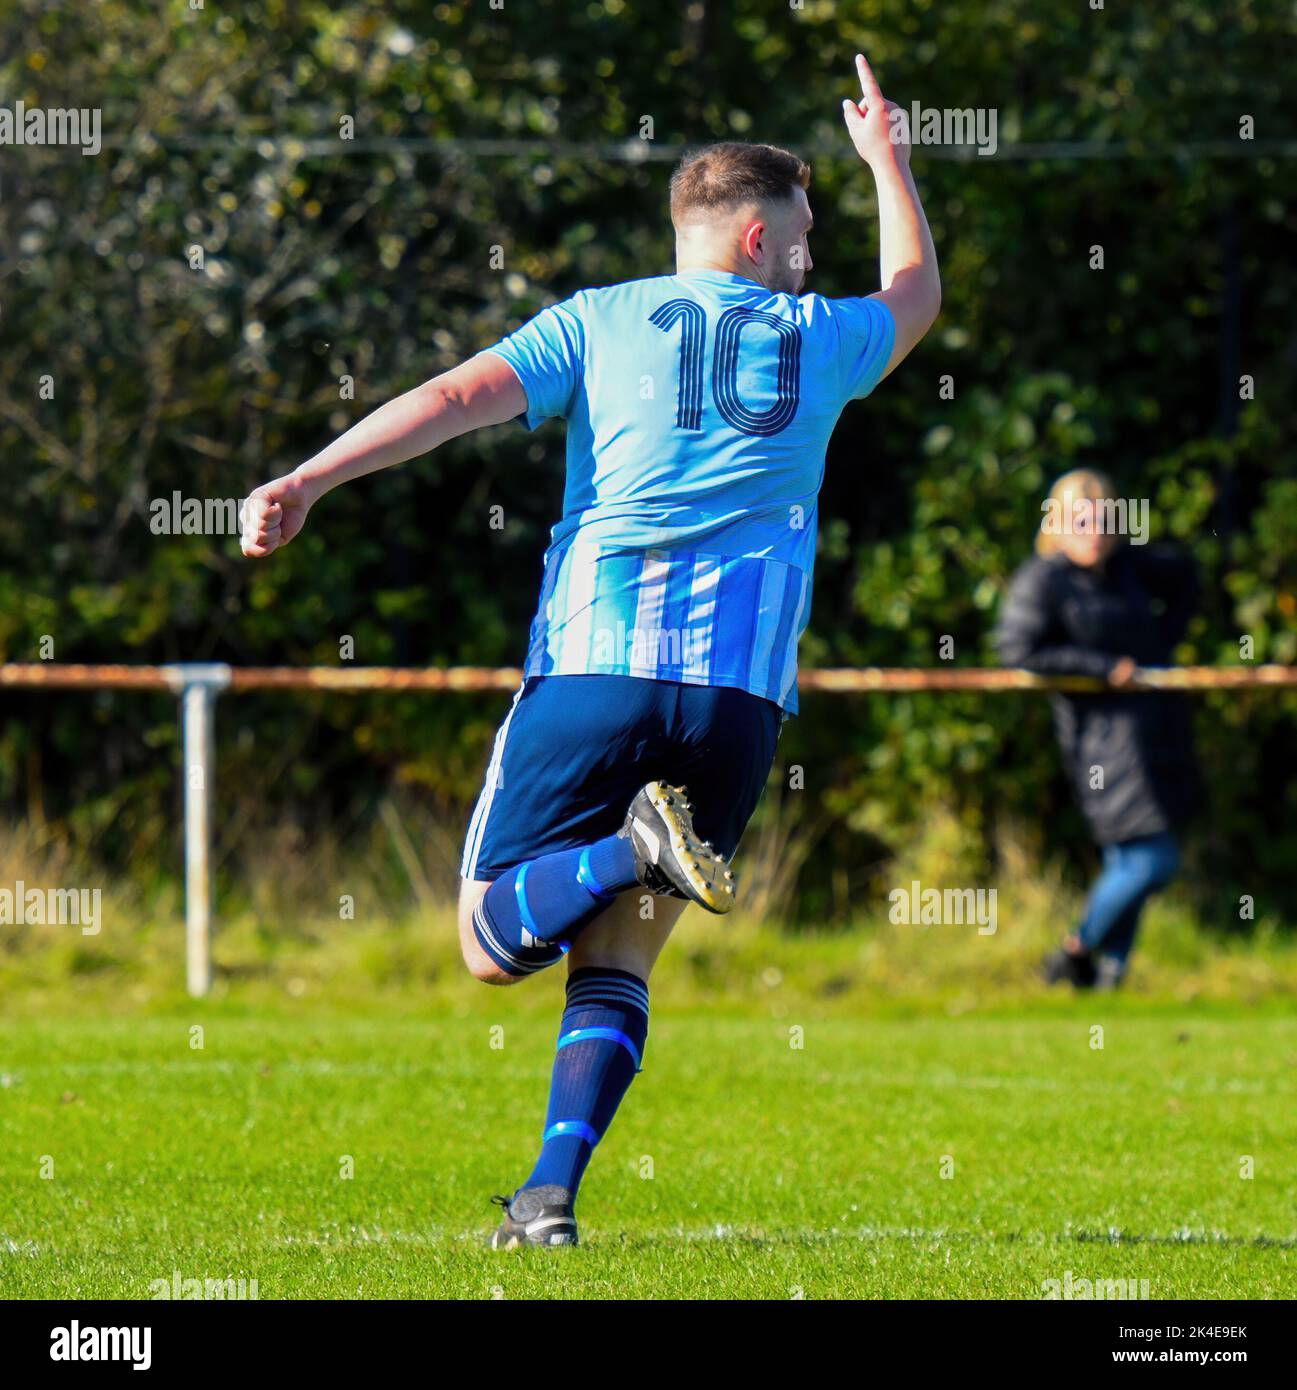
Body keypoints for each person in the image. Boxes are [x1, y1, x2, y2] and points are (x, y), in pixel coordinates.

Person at [241, 55, 940, 1246]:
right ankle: (548, 1197)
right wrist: (889, 160)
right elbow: (915, 295)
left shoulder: (598, 318)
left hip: (597, 666)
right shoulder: (818, 338)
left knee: (481, 944)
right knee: (620, 954)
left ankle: (620, 855)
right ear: (759, 238)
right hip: (735, 701)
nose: (813, 254)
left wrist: (312, 475)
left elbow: (458, 395)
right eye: (805, 233)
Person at [995, 469, 1201, 990]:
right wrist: (1103, 668)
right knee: (1153, 860)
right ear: (1058, 525)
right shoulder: (1044, 580)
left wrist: (1161, 645)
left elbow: (1188, 575)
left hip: (1153, 732)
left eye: (1105, 521)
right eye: (1081, 521)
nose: (1095, 531)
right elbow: (1019, 651)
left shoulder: (1128, 568)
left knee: (1128, 857)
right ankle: (1075, 948)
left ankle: (1108, 978)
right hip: (1099, 741)